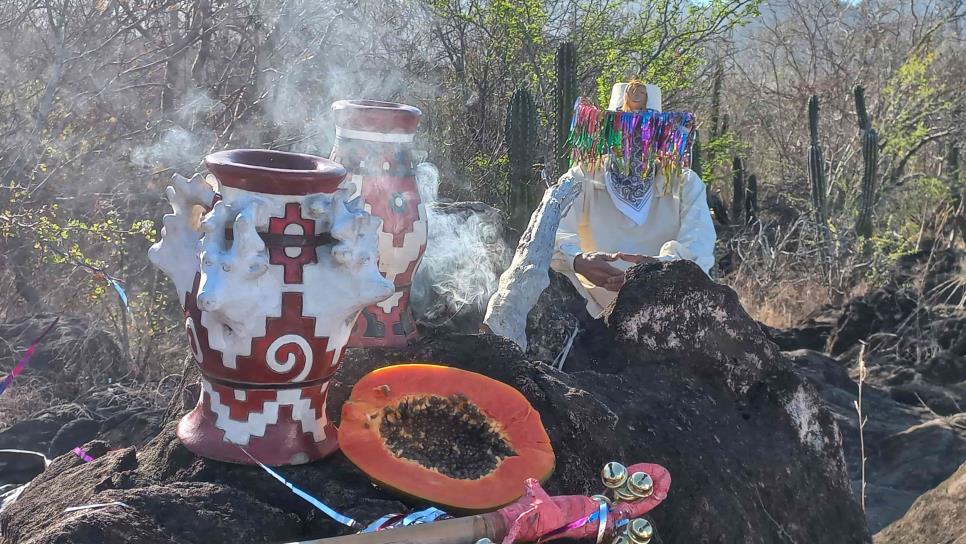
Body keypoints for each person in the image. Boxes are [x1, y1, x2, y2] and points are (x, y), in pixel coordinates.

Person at [551, 80, 716, 318]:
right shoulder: (581, 177)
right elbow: (550, 235)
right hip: (587, 312)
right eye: (625, 127)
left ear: (660, 134)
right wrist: (578, 260)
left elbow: (699, 250)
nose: (635, 138)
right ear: (609, 132)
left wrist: (660, 269)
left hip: (666, 311)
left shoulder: (685, 183)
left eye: (645, 128)